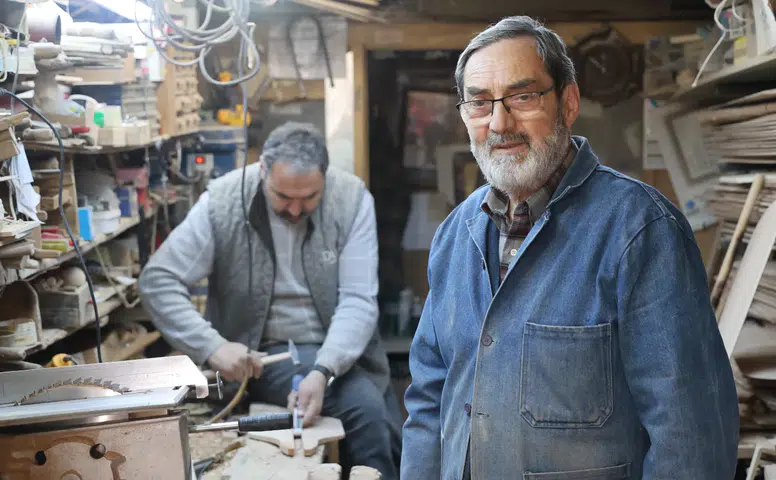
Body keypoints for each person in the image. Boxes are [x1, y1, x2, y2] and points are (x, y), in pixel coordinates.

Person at [400, 16, 739, 480]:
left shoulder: (641, 230)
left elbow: (690, 434)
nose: (500, 122)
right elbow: (427, 401)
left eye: (522, 96)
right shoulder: (454, 235)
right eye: (479, 103)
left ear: (569, 101)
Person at [138, 121, 402, 479]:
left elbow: (358, 300)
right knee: (366, 410)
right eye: (283, 197)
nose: (295, 210)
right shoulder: (224, 202)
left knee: (386, 430)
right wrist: (211, 346)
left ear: (325, 177)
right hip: (263, 356)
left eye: (309, 198)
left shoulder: (351, 199)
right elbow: (158, 280)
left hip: (340, 352)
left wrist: (323, 370)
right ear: (262, 171)